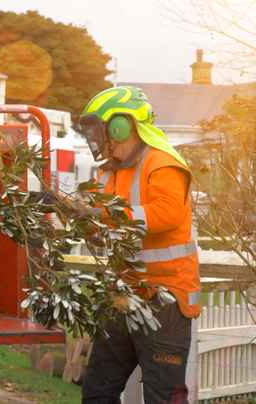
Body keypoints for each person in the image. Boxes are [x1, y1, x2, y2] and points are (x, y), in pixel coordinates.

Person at [73, 86, 201, 403]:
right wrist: (71, 215)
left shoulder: (162, 163)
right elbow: (101, 225)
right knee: (97, 393)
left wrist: (105, 216)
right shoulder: (109, 172)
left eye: (101, 130)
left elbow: (168, 213)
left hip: (165, 301)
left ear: (122, 125)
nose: (99, 139)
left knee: (162, 398)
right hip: (122, 297)